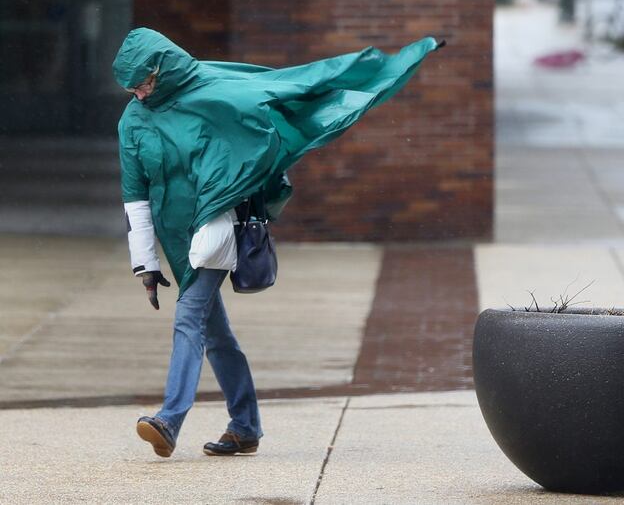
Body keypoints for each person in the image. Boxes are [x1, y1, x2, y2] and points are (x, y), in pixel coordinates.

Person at [113, 28, 442, 457]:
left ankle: (170, 419)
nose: (138, 92)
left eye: (145, 81)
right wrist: (146, 264)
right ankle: (245, 426)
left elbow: (291, 91)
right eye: (132, 85)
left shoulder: (218, 94)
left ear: (165, 69)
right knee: (216, 335)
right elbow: (134, 194)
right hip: (175, 236)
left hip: (214, 224)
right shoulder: (133, 120)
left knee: (188, 319)